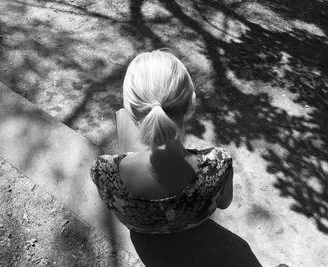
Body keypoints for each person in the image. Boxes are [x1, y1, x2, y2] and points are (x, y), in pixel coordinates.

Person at [90, 50, 233, 234]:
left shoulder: (103, 171)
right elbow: (224, 204)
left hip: (141, 233)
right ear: (191, 103)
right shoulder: (219, 165)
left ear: (130, 112)